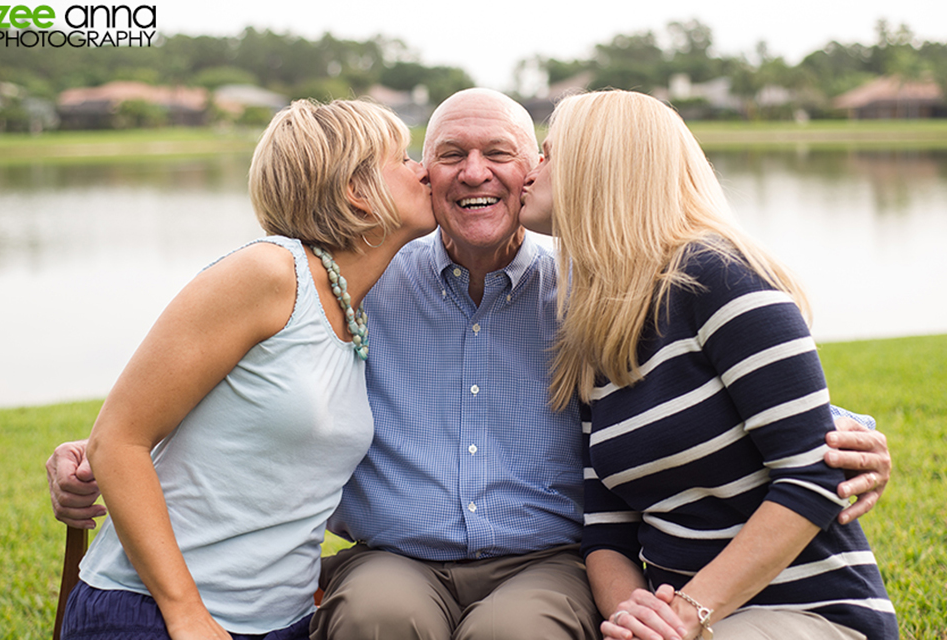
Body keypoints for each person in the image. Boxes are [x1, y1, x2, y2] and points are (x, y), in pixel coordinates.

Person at [48, 89, 893, 640]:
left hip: (542, 561)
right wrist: (86, 460)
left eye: (504, 153)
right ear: (373, 189)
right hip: (390, 556)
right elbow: (203, 392)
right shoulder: (337, 283)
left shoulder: (591, 290)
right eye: (441, 154)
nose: (463, 171)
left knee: (513, 636)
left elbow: (731, 385)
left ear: (532, 175)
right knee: (378, 616)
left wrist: (843, 434)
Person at [518, 89, 898, 639]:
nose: (532, 170)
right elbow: (605, 529)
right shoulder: (594, 327)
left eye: (550, 155)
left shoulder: (719, 275)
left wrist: (688, 612)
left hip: (810, 613)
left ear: (598, 165)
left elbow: (811, 474)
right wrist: (639, 620)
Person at [56, 98, 436, 640]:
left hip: (281, 622)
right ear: (357, 188)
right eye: (404, 158)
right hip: (156, 616)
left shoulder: (356, 310)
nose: (423, 169)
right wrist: (184, 611)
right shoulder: (270, 273)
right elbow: (118, 439)